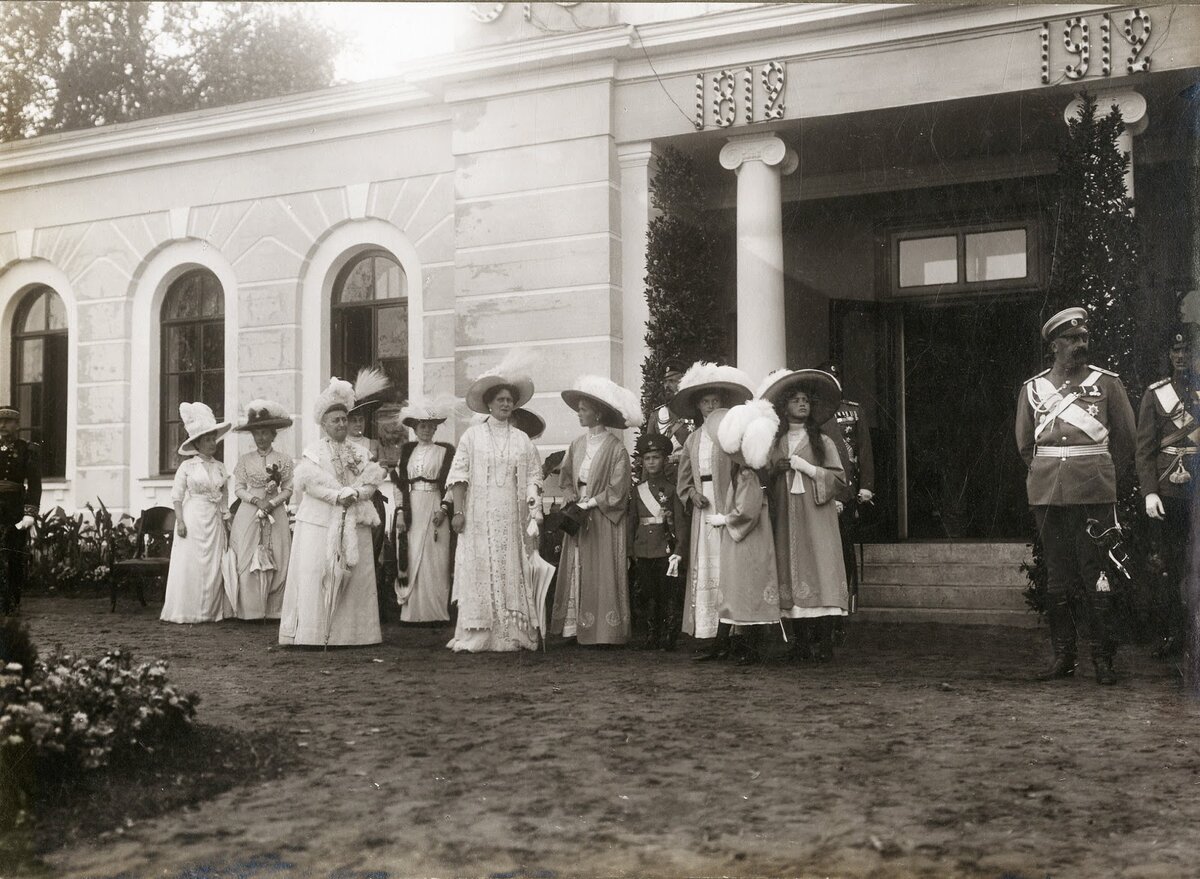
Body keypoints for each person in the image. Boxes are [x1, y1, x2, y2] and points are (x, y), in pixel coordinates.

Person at [1015, 307, 1136, 685]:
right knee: (1057, 577)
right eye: (1072, 339)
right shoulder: (1034, 389)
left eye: (1084, 338)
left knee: (1097, 574)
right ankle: (1063, 659)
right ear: (1054, 344)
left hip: (1093, 490)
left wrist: (1097, 474)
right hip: (1049, 493)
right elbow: (1024, 444)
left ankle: (1103, 659)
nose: (1080, 345)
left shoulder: (1107, 384)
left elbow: (1127, 441)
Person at [279, 373, 388, 647]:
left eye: (344, 419)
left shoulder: (360, 453)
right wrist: (338, 495)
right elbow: (310, 485)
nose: (341, 424)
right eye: (335, 420)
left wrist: (357, 493)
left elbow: (371, 482)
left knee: (356, 575)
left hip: (354, 518)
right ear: (324, 424)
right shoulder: (313, 452)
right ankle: (314, 634)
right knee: (318, 573)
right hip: (321, 521)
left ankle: (356, 635)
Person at [445, 352, 544, 652]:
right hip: (478, 517)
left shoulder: (522, 439)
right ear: (489, 403)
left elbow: (533, 479)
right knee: (480, 568)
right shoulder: (472, 437)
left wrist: (533, 510)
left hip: (512, 519)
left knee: (511, 568)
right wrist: (458, 512)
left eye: (509, 399)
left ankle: (512, 634)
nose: (505, 404)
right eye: (500, 399)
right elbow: (459, 476)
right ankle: (478, 634)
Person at [763, 369, 851, 662]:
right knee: (791, 569)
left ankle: (824, 644)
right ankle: (800, 644)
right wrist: (777, 470)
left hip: (816, 516)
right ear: (784, 407)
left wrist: (808, 468)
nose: (802, 405)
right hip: (787, 517)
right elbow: (765, 476)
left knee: (821, 569)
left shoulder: (821, 442)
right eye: (796, 400)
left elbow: (839, 479)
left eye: (806, 401)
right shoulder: (775, 443)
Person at [551, 375, 642, 646]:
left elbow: (619, 488)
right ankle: (574, 627)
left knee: (600, 568)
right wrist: (572, 500)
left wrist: (590, 503)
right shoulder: (577, 444)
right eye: (579, 409)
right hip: (578, 513)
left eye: (583, 409)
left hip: (602, 515)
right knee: (577, 565)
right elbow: (565, 477)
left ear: (597, 413)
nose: (579, 414)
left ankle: (604, 631)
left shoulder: (616, 449)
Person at [671, 362, 754, 659]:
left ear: (723, 404)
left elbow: (743, 471)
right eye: (705, 402)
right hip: (703, 509)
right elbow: (682, 481)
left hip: (727, 505)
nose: (709, 406)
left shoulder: (730, 434)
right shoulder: (692, 439)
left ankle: (734, 634)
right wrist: (692, 493)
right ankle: (709, 634)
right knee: (706, 566)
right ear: (698, 406)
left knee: (729, 567)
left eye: (715, 401)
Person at [1136, 323, 1199, 658]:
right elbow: (1144, 449)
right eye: (1175, 351)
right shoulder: (1155, 393)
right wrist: (1149, 492)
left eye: (1187, 349)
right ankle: (1176, 636)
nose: (1181, 356)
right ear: (1168, 354)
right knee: (1170, 567)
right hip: (1168, 493)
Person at [710, 396, 785, 665]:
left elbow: (748, 511)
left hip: (749, 538)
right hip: (743, 538)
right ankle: (743, 644)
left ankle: (751, 647)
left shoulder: (749, 475)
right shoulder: (745, 471)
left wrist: (724, 519)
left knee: (748, 587)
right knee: (743, 587)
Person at [161, 402, 233, 624]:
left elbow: (224, 494)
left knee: (212, 565)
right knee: (192, 563)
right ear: (197, 443)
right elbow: (177, 496)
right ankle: (188, 611)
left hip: (214, 519)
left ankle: (210, 612)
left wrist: (226, 517)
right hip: (193, 518)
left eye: (213, 439)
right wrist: (180, 521)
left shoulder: (220, 466)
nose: (212, 443)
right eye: (208, 440)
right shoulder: (187, 467)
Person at [818, 361, 875, 625]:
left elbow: (864, 451)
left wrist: (866, 486)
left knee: (844, 552)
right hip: (820, 495)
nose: (834, 383)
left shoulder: (853, 412)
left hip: (847, 493)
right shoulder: (814, 415)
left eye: (836, 378)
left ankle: (846, 607)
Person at [391, 396, 456, 624]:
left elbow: (451, 482)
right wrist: (400, 511)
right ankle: (412, 612)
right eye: (422, 426)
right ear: (415, 428)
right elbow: (399, 483)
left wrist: (444, 509)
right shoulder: (407, 451)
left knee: (436, 555)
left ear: (436, 428)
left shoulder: (445, 451)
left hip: (435, 502)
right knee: (411, 550)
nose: (426, 430)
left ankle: (436, 611)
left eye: (430, 426)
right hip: (412, 505)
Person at [229, 401, 294, 620]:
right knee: (247, 554)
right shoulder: (245, 460)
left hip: (275, 512)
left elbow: (289, 489)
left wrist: (272, 503)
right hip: (249, 511)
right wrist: (256, 500)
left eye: (265, 433)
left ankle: (275, 610)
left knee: (279, 553)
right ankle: (251, 610)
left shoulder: (283, 460)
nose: (261, 438)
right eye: (257, 433)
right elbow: (238, 488)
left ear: (273, 434)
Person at [628, 433, 685, 650]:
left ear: (664, 460)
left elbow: (679, 523)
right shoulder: (638, 490)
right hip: (643, 549)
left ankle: (669, 635)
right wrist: (629, 550)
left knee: (667, 593)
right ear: (643, 461)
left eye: (656, 457)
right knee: (649, 593)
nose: (651, 462)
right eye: (648, 458)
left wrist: (679, 548)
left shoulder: (671, 490)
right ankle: (652, 634)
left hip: (665, 548)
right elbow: (632, 521)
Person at [0, 405, 40, 615]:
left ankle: (13, 600)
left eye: (7, 422)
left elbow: (34, 484)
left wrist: (29, 513)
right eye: (0, 422)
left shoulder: (27, 449)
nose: (2, 426)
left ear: (17, 425)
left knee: (15, 554)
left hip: (15, 507)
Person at [646, 359, 694, 476]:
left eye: (672, 381)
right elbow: (648, 453)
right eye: (665, 381)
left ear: (684, 382)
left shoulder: (695, 413)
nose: (667, 386)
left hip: (691, 477)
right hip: (666, 482)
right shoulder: (657, 416)